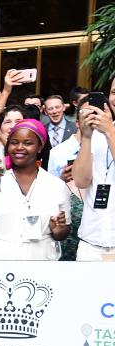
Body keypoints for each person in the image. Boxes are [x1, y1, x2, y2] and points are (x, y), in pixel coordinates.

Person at [0, 120, 70, 260]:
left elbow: (62, 232)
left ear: (40, 147)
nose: (19, 147)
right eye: (14, 142)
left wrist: (59, 230)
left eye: (28, 143)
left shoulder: (56, 185)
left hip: (38, 263)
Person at [72, 77, 115, 261]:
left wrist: (110, 132)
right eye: (113, 92)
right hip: (91, 242)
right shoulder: (96, 133)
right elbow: (81, 181)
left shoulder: (106, 131)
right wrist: (87, 138)